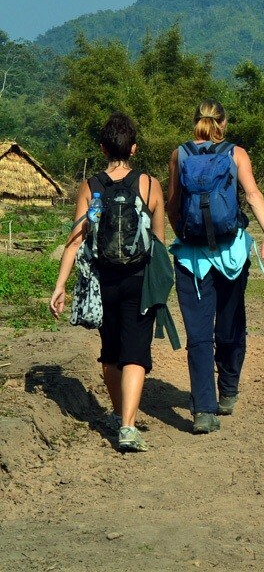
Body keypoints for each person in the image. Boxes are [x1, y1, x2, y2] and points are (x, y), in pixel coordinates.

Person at [50, 113, 165, 453]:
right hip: (139, 279)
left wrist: (60, 285)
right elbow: (158, 241)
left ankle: (117, 415)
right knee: (135, 353)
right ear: (134, 148)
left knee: (111, 352)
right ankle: (128, 426)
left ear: (102, 148)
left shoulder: (90, 186)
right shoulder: (149, 184)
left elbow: (74, 241)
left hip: (103, 281)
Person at [168, 99, 264, 434]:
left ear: (195, 123)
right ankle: (227, 392)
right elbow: (253, 194)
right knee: (230, 323)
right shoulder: (236, 153)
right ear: (223, 124)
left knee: (198, 335)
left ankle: (203, 410)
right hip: (231, 255)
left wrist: (184, 236)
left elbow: (173, 203)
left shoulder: (180, 154)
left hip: (191, 258)